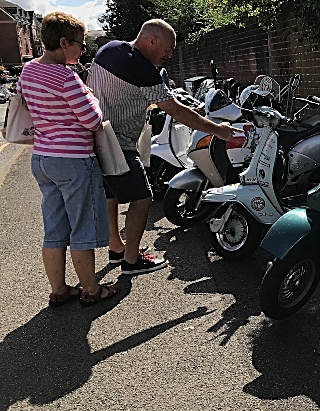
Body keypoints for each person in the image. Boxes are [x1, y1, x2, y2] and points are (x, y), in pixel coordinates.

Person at [88, 19, 239, 275]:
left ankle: (116, 248)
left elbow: (128, 94)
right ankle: (131, 260)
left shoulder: (108, 50)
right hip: (119, 143)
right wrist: (218, 130)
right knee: (142, 198)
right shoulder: (142, 68)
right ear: (151, 40)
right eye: (168, 49)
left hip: (96, 137)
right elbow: (174, 109)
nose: (169, 55)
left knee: (110, 194)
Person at [18, 11, 117, 307]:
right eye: (79, 44)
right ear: (63, 42)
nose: (82, 49)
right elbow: (91, 119)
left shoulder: (28, 71)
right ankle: (91, 289)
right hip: (74, 160)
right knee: (83, 226)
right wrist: (92, 98)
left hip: (43, 159)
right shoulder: (66, 77)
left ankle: (60, 290)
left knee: (55, 227)